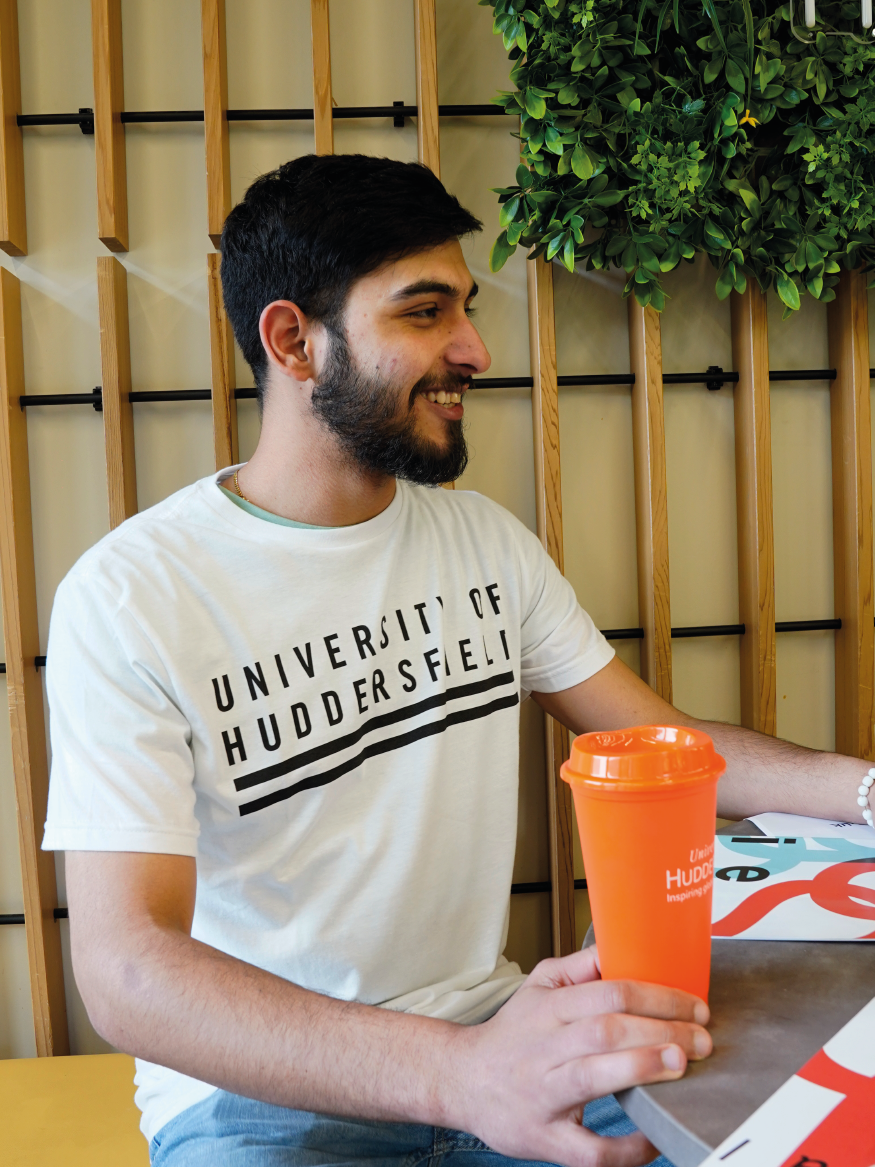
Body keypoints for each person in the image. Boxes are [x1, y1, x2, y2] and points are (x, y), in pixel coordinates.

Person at [43, 154, 869, 1167]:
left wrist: (865, 790)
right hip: (262, 1103)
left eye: (464, 311)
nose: (474, 349)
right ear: (294, 341)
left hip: (495, 1038)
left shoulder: (483, 544)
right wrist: (457, 1074)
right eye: (424, 312)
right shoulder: (130, 595)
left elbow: (668, 748)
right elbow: (128, 970)